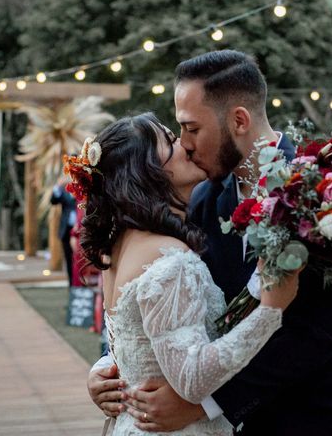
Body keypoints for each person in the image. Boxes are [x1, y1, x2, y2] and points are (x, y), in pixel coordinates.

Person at [88, 50, 332, 435]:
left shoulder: (324, 192)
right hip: (255, 422)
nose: (185, 144)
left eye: (192, 129)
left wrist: (203, 405)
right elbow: (156, 299)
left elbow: (316, 329)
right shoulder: (204, 199)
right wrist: (110, 368)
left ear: (238, 120)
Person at [74, 113, 299, 436]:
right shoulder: (169, 259)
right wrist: (269, 311)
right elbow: (191, 378)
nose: (185, 144)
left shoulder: (119, 247)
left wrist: (107, 370)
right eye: (171, 141)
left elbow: (139, 337)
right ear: (149, 171)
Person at [50, 175, 77, 287]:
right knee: (68, 259)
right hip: (67, 229)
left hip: (80, 229)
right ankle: (71, 286)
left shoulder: (83, 189)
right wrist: (58, 185)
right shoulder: (64, 190)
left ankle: (80, 286)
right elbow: (53, 201)